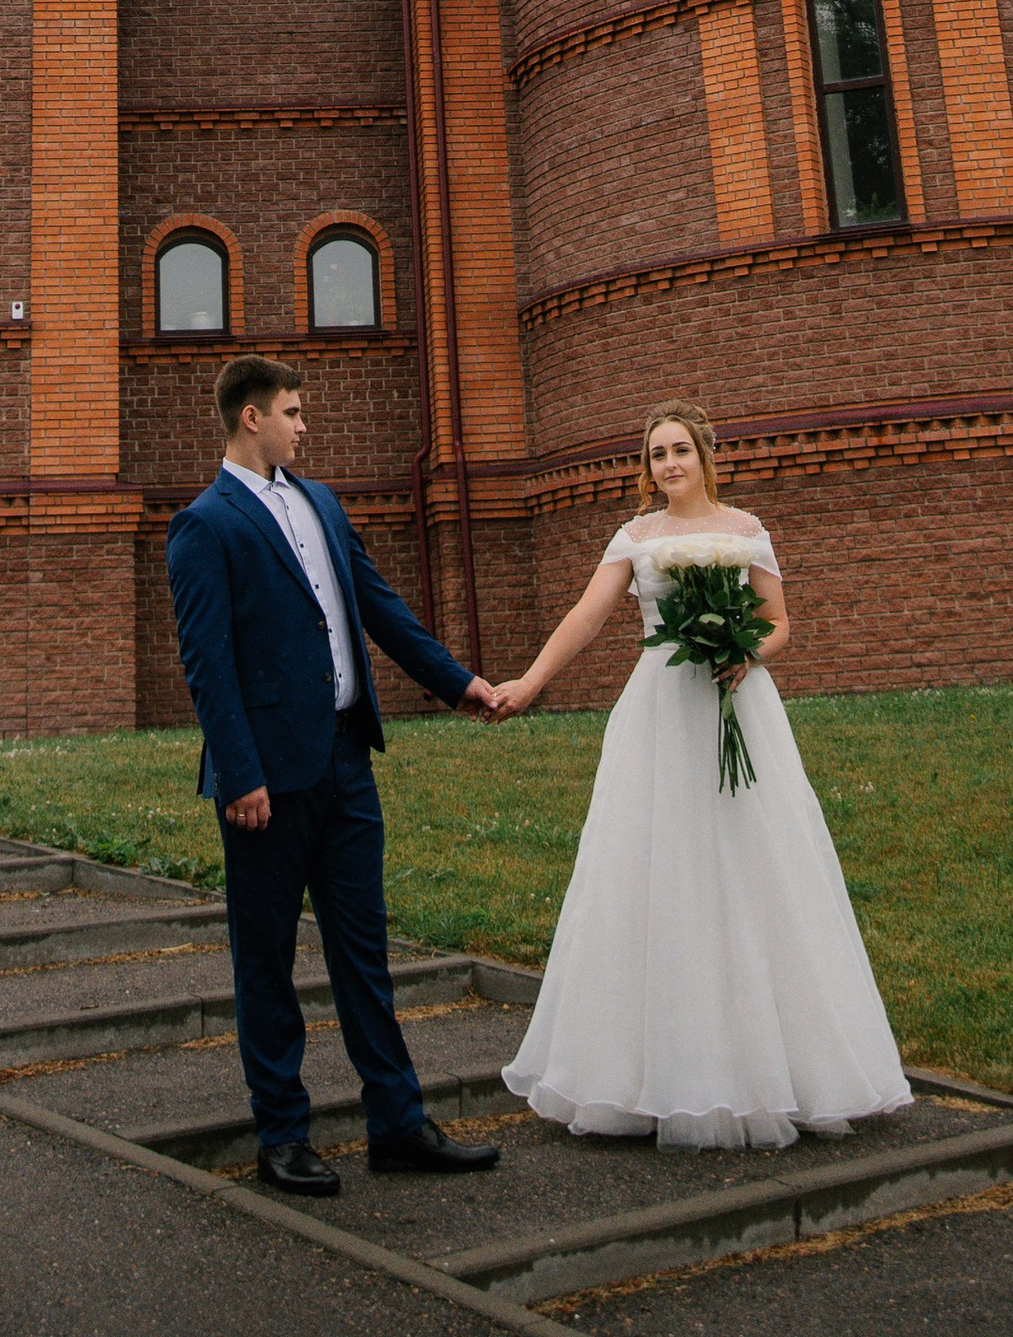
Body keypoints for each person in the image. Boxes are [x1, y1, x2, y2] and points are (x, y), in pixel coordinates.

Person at [490, 398, 911, 1152]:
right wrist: (529, 682)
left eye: (680, 450)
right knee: (652, 867)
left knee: (756, 863)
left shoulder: (746, 529)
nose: (669, 465)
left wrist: (746, 652)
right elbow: (587, 615)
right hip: (658, 712)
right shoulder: (635, 536)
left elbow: (779, 620)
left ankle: (781, 1067)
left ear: (705, 456)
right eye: (657, 454)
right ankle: (645, 1073)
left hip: (738, 707)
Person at [166, 351, 507, 1199]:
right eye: (292, 412)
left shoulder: (320, 503)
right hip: (265, 786)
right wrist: (239, 773)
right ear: (253, 418)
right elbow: (206, 664)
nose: (302, 425)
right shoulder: (205, 525)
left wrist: (457, 682)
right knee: (267, 962)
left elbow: (379, 606)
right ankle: (281, 1135)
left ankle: (398, 1122)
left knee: (365, 953)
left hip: (349, 763)